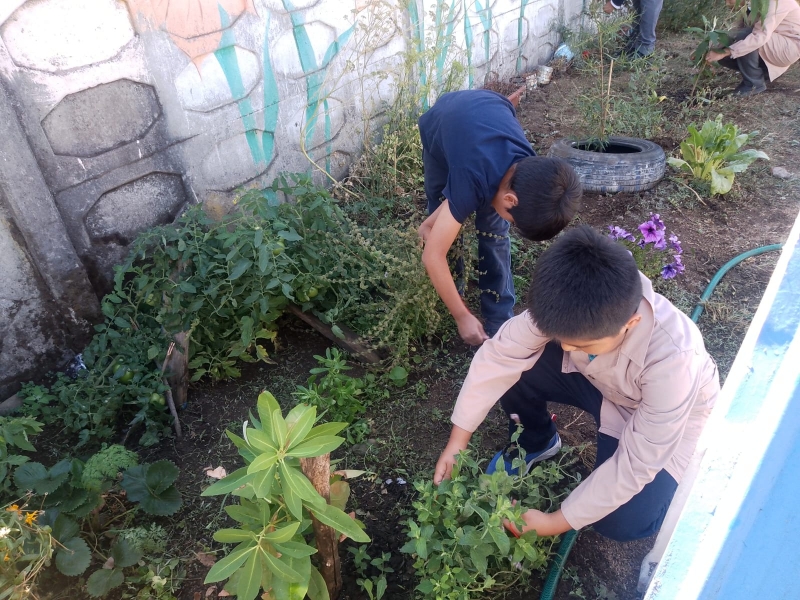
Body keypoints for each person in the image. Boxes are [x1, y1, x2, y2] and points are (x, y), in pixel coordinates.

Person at [433, 226, 720, 541]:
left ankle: (676, 492)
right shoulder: (570, 300)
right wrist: (457, 444)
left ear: (631, 323)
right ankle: (536, 440)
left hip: (662, 417)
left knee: (621, 521)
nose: (567, 350)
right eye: (564, 341)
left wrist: (555, 521)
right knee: (518, 365)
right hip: (604, 385)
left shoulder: (674, 360)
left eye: (582, 346)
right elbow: (499, 356)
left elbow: (637, 462)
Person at [417, 89, 582, 345]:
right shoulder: (472, 180)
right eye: (512, 218)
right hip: (441, 126)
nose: (510, 222)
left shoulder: (529, 171)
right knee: (444, 225)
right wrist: (461, 315)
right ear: (510, 200)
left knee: (493, 233)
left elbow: (468, 194)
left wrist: (430, 225)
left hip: (489, 112)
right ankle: (453, 294)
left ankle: (499, 320)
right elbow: (432, 255)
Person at [705, 0, 800, 96]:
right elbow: (736, 32)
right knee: (727, 54)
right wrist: (710, 50)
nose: (727, 3)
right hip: (774, 46)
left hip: (788, 49)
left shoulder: (777, 2)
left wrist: (725, 52)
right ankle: (761, 75)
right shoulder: (754, 4)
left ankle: (753, 84)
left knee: (746, 36)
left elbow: (760, 35)